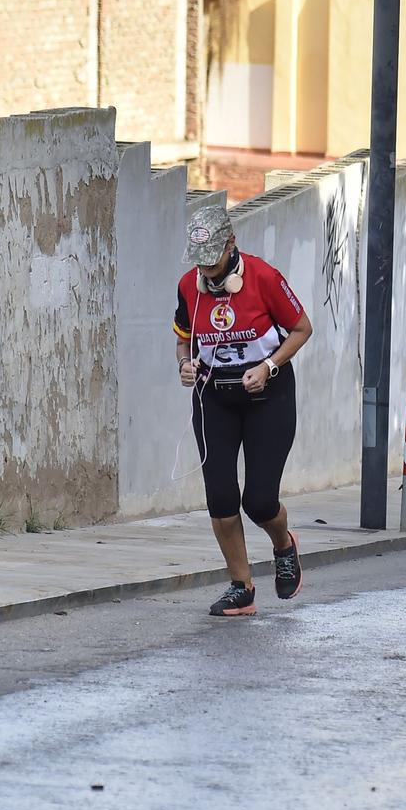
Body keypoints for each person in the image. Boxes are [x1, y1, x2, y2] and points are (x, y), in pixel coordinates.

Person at [174, 206, 313, 616]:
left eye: (213, 260)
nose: (207, 270)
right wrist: (184, 364)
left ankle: (284, 545)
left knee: (258, 500)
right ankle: (242, 587)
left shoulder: (264, 277)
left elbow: (302, 329)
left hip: (267, 398)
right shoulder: (188, 286)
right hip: (214, 398)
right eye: (199, 261)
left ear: (231, 245)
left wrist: (268, 366)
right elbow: (183, 339)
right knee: (220, 496)